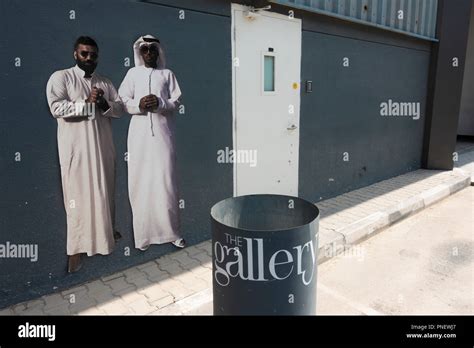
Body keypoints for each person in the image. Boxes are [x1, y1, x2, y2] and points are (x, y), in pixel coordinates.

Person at [46, 36, 123, 272]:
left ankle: (104, 236)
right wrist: (86, 103)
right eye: (84, 54)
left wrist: (102, 105)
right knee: (77, 199)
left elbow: (120, 109)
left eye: (93, 54)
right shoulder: (62, 77)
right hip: (77, 151)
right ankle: (76, 250)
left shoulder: (105, 82)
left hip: (102, 149)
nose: (89, 58)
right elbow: (56, 108)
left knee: (104, 193)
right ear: (75, 54)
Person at [118, 35, 185, 251]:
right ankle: (143, 238)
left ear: (158, 52)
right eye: (144, 49)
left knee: (166, 181)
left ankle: (172, 233)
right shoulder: (132, 74)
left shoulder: (167, 74)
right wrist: (139, 104)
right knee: (140, 182)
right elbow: (122, 100)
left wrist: (160, 102)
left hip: (164, 135)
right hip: (138, 136)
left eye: (152, 49)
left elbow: (176, 101)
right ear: (139, 52)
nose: (148, 53)